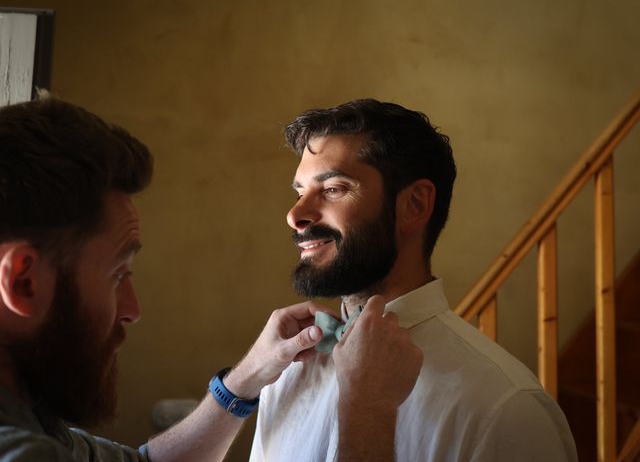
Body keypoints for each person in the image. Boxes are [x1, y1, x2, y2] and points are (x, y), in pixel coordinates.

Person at [0, 94, 423, 461]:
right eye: (116, 275)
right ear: (24, 282)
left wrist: (242, 383)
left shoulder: (31, 421)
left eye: (332, 189)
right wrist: (368, 410)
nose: (133, 310)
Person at [250, 99, 579, 461]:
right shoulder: (284, 375)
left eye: (333, 189)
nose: (295, 215)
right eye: (300, 192)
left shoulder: (507, 410)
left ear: (415, 205)